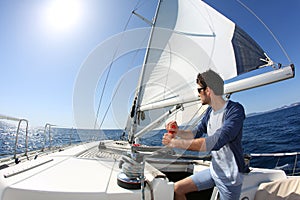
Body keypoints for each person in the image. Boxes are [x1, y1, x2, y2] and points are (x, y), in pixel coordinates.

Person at [162, 69, 249, 200]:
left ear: (207, 90)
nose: (198, 95)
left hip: (230, 178)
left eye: (199, 90)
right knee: (177, 189)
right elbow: (195, 133)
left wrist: (174, 143)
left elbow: (215, 141)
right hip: (214, 171)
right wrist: (177, 132)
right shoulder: (209, 112)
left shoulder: (235, 111)